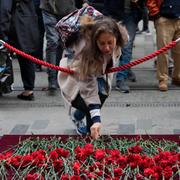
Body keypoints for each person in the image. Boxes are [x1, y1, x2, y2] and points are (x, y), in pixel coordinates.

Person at [58, 17, 128, 139]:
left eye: (110, 42)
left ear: (116, 37)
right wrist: (96, 120)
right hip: (76, 70)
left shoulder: (120, 37)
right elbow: (89, 89)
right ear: (95, 41)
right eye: (102, 43)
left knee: (101, 95)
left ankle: (79, 116)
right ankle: (90, 137)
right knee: (91, 102)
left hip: (100, 71)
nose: (106, 48)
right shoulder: (86, 51)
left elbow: (113, 52)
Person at [0, 0, 40, 100]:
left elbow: (5, 9)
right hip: (29, 21)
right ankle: (29, 90)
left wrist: (2, 32)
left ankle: (3, 86)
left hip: (14, 24)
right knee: (26, 57)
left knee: (3, 57)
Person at [103, 0, 144, 93]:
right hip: (112, 13)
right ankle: (103, 77)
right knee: (108, 45)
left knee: (127, 46)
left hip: (132, 13)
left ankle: (121, 77)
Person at [40, 0, 78, 93]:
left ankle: (57, 77)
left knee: (63, 42)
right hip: (49, 7)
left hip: (68, 9)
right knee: (53, 42)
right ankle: (52, 79)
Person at [147, 0, 180, 91]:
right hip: (164, 18)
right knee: (163, 51)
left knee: (179, 52)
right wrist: (156, 15)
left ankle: (177, 76)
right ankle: (163, 79)